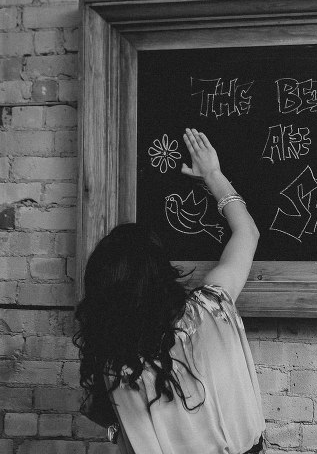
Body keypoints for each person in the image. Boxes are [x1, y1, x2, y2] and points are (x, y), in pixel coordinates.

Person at [74, 128, 263, 454]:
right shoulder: (211, 310)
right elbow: (247, 232)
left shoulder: (118, 367)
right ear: (160, 271)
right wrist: (213, 174)